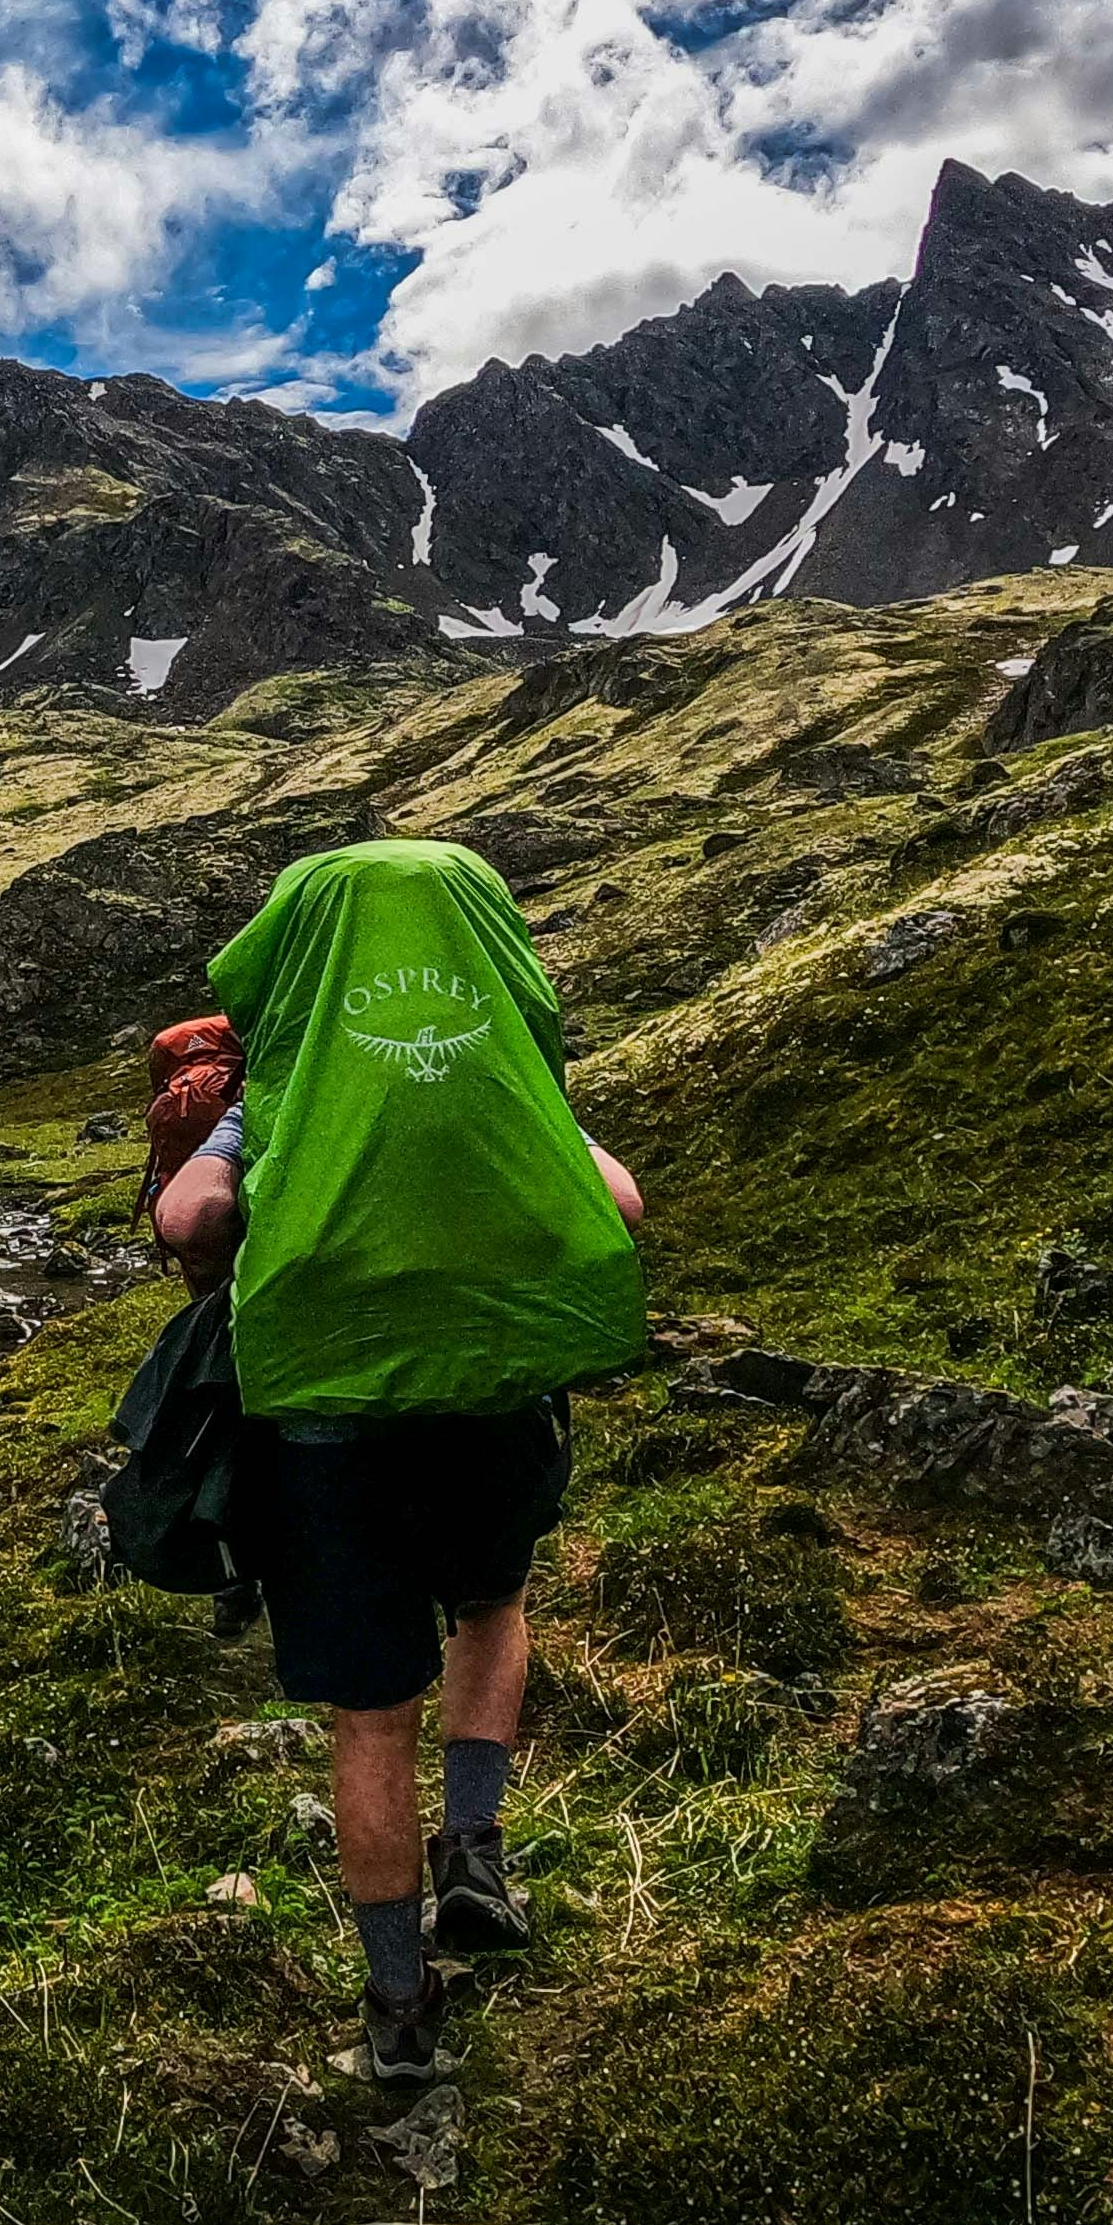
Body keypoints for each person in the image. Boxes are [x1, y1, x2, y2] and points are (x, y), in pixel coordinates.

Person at [150, 835, 648, 2086]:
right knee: (494, 1600)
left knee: (370, 1711)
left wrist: (246, 1197)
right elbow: (623, 1205)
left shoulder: (290, 1086)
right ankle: (476, 1851)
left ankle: (397, 2006)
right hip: (491, 1400)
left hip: (325, 1428)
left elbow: (190, 1221)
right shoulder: (499, 1075)